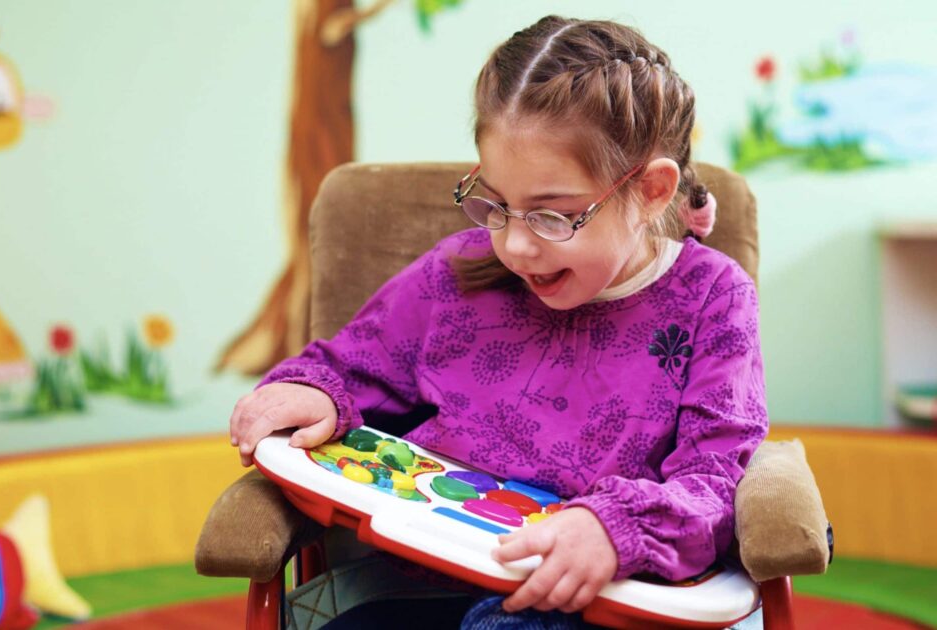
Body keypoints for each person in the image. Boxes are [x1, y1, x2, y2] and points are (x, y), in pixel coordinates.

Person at [229, 14, 767, 628]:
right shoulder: (458, 270)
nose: (514, 246)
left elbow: (717, 477)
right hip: (425, 577)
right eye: (498, 205)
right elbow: (351, 365)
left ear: (650, 191)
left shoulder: (713, 298)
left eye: (551, 216)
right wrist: (310, 389)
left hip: (596, 599)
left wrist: (614, 529)